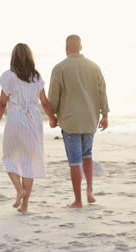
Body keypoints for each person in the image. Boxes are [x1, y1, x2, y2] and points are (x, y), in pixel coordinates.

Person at [0, 43, 57, 213]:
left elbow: (2, 103)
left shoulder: (8, 76)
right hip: (33, 119)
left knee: (9, 157)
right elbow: (45, 102)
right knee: (29, 162)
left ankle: (19, 190)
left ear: (13, 57)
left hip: (15, 119)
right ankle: (25, 205)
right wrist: (52, 119)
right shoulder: (36, 77)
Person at [48, 35, 110, 208]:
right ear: (81, 47)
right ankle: (89, 189)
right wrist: (105, 114)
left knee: (75, 161)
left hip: (70, 121)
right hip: (90, 119)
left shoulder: (60, 68)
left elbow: (53, 96)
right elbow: (102, 91)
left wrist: (52, 117)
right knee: (87, 155)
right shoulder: (94, 67)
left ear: (66, 48)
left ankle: (78, 200)